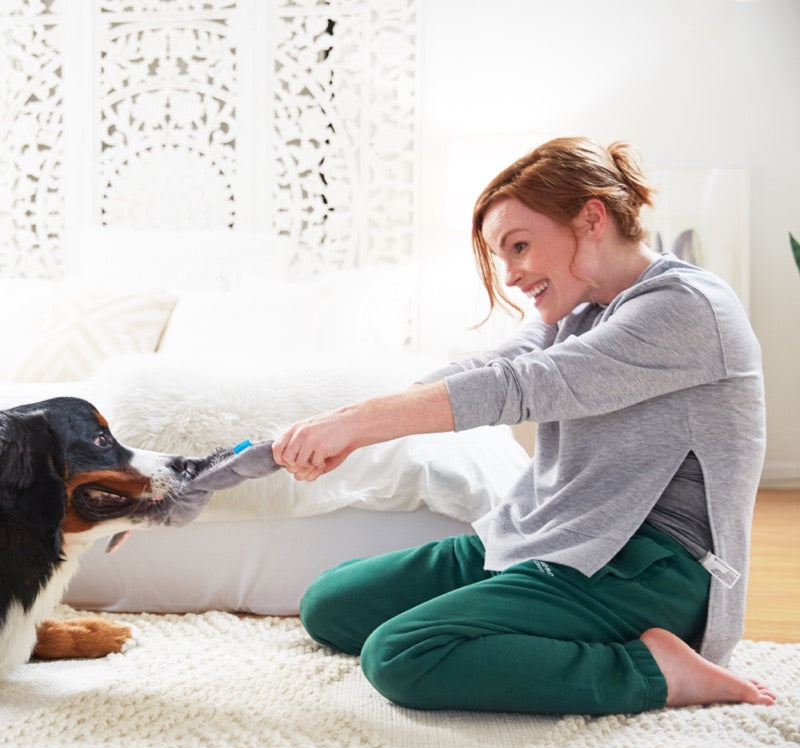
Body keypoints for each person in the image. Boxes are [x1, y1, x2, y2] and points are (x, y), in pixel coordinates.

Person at [272, 137, 775, 714]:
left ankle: (656, 671)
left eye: (519, 246)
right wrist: (345, 422)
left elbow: (524, 386)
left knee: (400, 653)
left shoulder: (686, 307)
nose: (510, 275)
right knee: (331, 603)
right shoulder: (581, 307)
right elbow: (492, 369)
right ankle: (522, 617)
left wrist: (358, 426)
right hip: (553, 537)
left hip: (649, 570)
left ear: (591, 217)